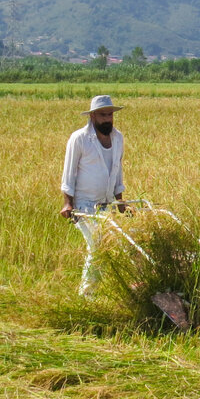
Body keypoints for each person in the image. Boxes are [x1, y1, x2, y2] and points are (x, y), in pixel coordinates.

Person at [60, 94, 126, 296]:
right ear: (93, 117)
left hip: (106, 205)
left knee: (114, 246)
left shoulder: (118, 138)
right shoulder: (79, 139)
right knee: (98, 245)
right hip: (84, 205)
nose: (107, 119)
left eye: (110, 115)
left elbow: (118, 169)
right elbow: (68, 172)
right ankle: (87, 295)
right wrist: (67, 203)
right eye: (102, 115)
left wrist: (120, 201)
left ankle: (110, 291)